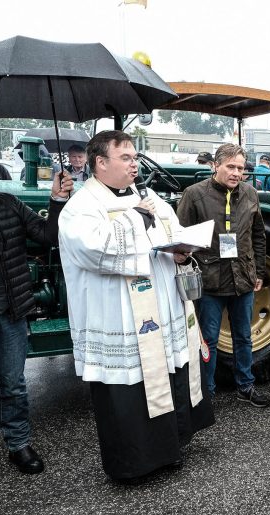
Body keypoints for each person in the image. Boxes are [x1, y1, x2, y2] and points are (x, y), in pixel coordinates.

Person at [58, 130, 214, 481]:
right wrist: (135, 219)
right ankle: (136, 464)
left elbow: (171, 230)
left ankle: (170, 449)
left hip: (160, 308)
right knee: (129, 388)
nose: (134, 164)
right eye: (126, 157)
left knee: (167, 374)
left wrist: (180, 249)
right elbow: (93, 250)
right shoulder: (81, 207)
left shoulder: (147, 196)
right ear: (100, 163)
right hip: (120, 317)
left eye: (134, 157)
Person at [0, 137, 71, 492]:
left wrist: (57, 201)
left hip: (7, 312)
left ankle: (19, 445)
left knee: (13, 385)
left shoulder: (4, 203)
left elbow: (48, 235)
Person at [176, 143, 270, 406]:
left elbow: (258, 236)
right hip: (210, 281)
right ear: (215, 166)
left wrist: (259, 272)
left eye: (240, 168)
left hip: (243, 278)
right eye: (231, 166)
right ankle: (207, 394)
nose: (236, 173)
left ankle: (245, 386)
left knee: (244, 336)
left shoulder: (250, 194)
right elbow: (180, 237)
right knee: (209, 339)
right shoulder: (194, 194)